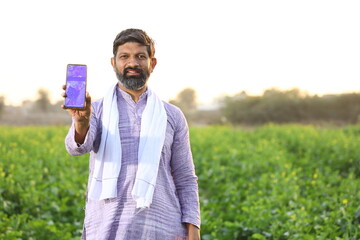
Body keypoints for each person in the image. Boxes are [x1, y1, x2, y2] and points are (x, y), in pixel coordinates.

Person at [62, 28, 201, 240]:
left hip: (161, 226)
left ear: (152, 63)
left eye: (140, 56)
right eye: (124, 57)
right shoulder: (96, 110)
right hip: (106, 225)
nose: (132, 63)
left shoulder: (172, 115)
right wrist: (81, 121)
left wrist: (193, 229)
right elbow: (76, 148)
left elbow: (185, 177)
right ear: (113, 63)